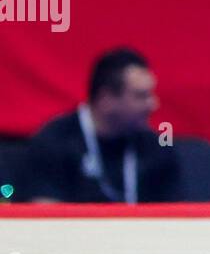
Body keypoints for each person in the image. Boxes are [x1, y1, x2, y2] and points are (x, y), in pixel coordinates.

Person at [21, 48, 179, 203]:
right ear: (106, 99)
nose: (153, 104)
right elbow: (44, 215)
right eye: (141, 96)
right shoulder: (54, 142)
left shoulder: (157, 148)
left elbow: (175, 217)